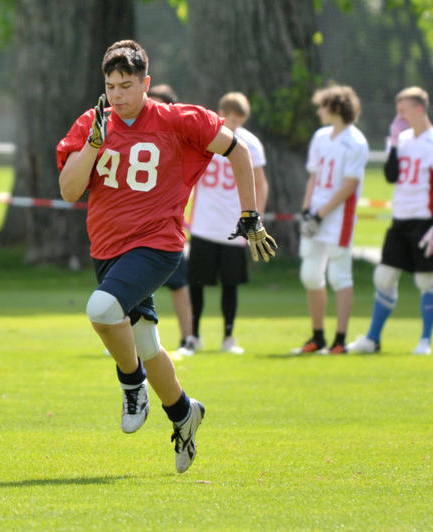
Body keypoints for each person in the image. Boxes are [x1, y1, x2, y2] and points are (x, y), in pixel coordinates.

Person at [57, 40, 276, 473]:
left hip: (158, 244)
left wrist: (250, 214)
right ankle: (184, 413)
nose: (117, 95)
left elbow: (239, 150)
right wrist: (92, 146)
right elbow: (69, 191)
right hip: (107, 247)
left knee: (101, 309)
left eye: (126, 85)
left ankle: (131, 382)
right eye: (110, 86)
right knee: (146, 344)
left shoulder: (177, 119)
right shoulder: (92, 123)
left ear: (146, 83)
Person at [348, 86, 433, 355]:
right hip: (400, 219)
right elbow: (391, 175)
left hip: (425, 221)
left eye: (403, 111)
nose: (399, 117)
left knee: (426, 281)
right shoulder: (402, 139)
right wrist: (394, 144)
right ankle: (372, 339)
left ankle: (425, 341)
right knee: (384, 277)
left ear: (419, 109)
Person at [187, 92, 269, 355]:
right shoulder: (206, 136)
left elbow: (260, 184)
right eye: (232, 120)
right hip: (203, 222)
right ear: (221, 113)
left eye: (240, 121)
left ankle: (228, 337)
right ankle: (193, 336)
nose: (235, 126)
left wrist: (255, 219)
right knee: (196, 282)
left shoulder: (250, 143)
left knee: (230, 284)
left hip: (234, 225)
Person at [295, 84, 368, 354]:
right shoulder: (321, 136)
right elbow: (314, 176)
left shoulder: (356, 141)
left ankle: (340, 339)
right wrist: (307, 209)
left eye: (323, 106)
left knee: (339, 276)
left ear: (336, 107)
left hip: (339, 215)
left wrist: (321, 214)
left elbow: (349, 184)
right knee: (310, 274)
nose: (320, 111)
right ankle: (318, 336)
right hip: (316, 212)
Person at [147, 83, 196, 357]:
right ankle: (130, 343)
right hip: (138, 228)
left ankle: (188, 338)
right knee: (135, 287)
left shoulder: (180, 140)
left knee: (178, 285)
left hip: (167, 228)